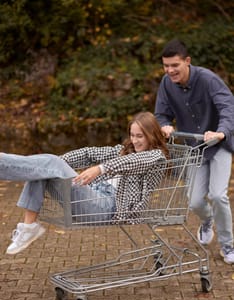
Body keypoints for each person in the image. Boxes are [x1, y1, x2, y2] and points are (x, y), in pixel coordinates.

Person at [0, 111, 168, 255]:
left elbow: (133, 162)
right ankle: (29, 227)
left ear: (151, 135)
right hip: (92, 196)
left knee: (48, 164)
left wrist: (100, 169)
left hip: (108, 208)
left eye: (140, 136)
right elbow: (90, 153)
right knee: (45, 165)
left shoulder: (156, 157)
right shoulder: (124, 151)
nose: (135, 140)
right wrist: (57, 163)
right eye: (132, 135)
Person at [154, 38, 234, 264]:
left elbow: (228, 106)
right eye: (166, 66)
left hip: (219, 146)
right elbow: (161, 113)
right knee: (195, 202)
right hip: (194, 149)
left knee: (218, 195)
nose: (170, 70)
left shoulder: (208, 79)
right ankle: (207, 221)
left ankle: (228, 246)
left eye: (175, 65)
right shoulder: (166, 83)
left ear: (187, 61)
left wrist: (221, 131)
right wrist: (164, 125)